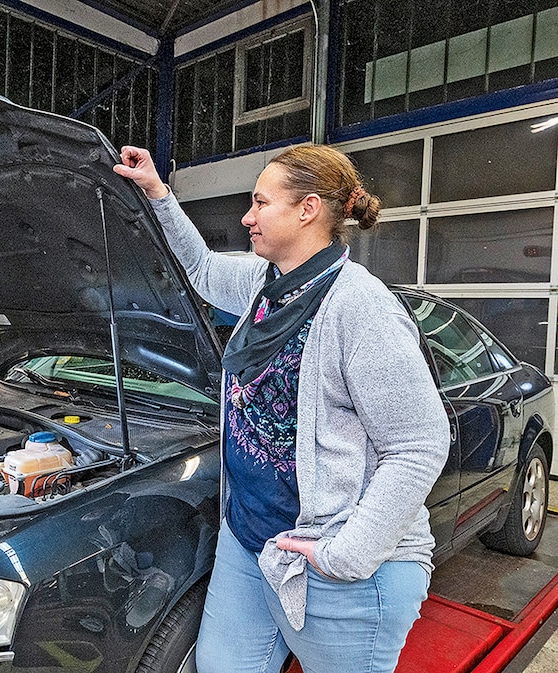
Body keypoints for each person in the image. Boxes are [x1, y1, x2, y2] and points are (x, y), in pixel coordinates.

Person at [114, 145, 450, 673]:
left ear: (307, 209)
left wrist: (347, 554)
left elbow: (419, 444)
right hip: (250, 540)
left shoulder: (361, 308)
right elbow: (201, 269)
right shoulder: (263, 285)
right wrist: (158, 193)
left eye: (260, 202)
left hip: (336, 561)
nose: (247, 216)